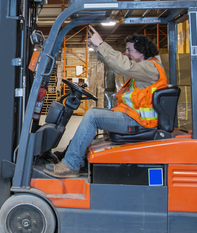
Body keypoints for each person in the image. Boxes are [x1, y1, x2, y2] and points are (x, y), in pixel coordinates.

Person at [44, 25, 167, 178]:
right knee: (94, 114)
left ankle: (71, 164)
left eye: (129, 50)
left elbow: (124, 67)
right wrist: (98, 50)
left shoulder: (150, 68)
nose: (126, 53)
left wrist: (102, 44)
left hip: (138, 121)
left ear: (142, 52)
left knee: (92, 116)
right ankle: (70, 156)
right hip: (133, 117)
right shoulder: (145, 68)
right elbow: (118, 67)